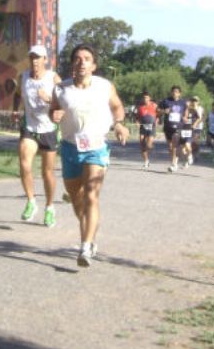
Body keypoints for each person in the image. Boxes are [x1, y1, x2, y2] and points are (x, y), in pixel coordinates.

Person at [48, 45, 129, 268]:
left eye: (86, 58)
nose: (81, 62)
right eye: (77, 58)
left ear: (93, 65)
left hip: (96, 147)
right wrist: (54, 114)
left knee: (91, 195)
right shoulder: (60, 89)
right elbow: (53, 109)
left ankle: (85, 246)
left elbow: (117, 106)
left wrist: (119, 124)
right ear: (72, 64)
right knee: (77, 200)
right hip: (70, 148)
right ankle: (89, 233)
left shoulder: (104, 86)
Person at [12, 45, 62, 227]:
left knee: (47, 173)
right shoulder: (23, 77)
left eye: (38, 57)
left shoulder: (53, 78)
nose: (35, 61)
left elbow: (64, 101)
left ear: (45, 60)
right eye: (32, 57)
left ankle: (49, 207)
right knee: (25, 164)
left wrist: (49, 99)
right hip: (30, 127)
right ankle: (31, 201)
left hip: (49, 129)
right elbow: (17, 94)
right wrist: (15, 110)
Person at [159, 86, 188, 172]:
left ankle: (173, 164)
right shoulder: (166, 101)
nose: (174, 93)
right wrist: (164, 111)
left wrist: (185, 117)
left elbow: (186, 111)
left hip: (178, 126)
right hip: (168, 126)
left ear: (179, 93)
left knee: (175, 144)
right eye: (173, 91)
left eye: (176, 92)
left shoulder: (183, 102)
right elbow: (158, 110)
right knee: (170, 147)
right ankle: (175, 162)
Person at [136, 91, 158, 169]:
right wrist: (137, 122)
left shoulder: (154, 106)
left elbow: (159, 115)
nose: (145, 99)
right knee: (142, 144)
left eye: (147, 97)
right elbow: (137, 117)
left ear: (149, 98)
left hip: (152, 126)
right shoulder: (140, 107)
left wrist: (157, 121)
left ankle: (150, 145)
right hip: (143, 127)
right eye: (144, 98)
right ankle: (146, 161)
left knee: (148, 145)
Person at [179, 98, 202, 168]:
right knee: (183, 150)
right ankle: (186, 162)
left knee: (187, 144)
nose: (187, 104)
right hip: (182, 130)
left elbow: (199, 118)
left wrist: (195, 124)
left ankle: (190, 156)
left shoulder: (193, 110)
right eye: (186, 103)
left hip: (190, 130)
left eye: (188, 103)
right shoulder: (181, 110)